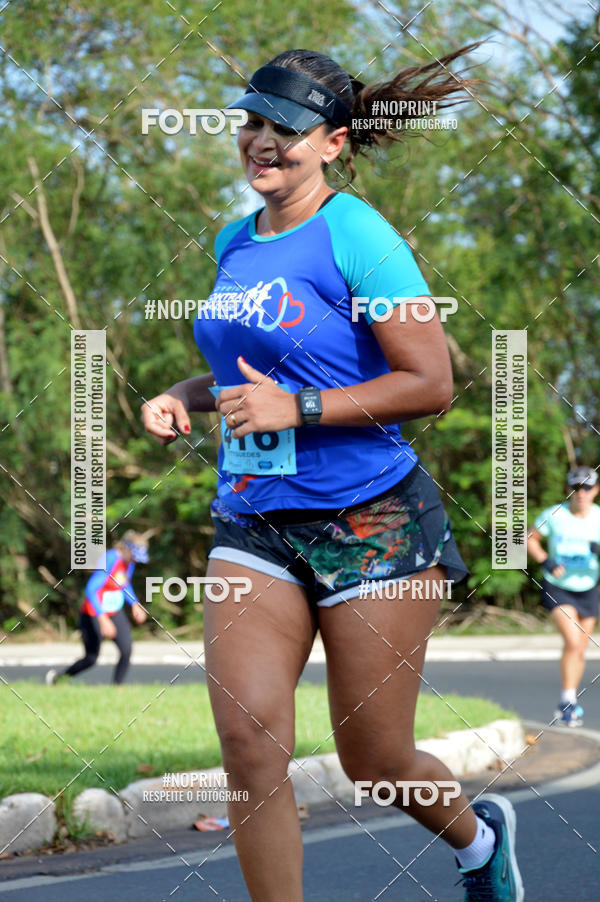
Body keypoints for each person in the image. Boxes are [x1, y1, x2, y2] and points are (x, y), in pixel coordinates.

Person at [142, 49, 523, 902]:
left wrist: (302, 410)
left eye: (284, 128)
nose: (261, 141)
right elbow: (253, 379)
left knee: (375, 760)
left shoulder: (358, 232)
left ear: (332, 143)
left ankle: (476, 839)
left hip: (372, 523)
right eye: (251, 123)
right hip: (255, 522)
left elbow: (429, 383)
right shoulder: (233, 240)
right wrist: (183, 394)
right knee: (247, 740)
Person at [527, 465, 600, 727]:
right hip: (558, 587)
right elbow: (529, 538)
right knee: (572, 640)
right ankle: (569, 702)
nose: (581, 494)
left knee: (579, 648)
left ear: (596, 490)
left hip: (589, 588)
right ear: (569, 490)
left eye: (587, 488)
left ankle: (567, 699)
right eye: (576, 488)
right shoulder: (555, 514)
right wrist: (545, 561)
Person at [46, 530, 149, 686]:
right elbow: (91, 589)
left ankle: (117, 689)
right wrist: (102, 619)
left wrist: (135, 603)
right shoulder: (110, 559)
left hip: (114, 611)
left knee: (126, 649)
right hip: (93, 612)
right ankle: (57, 680)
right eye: (134, 556)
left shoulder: (129, 563)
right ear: (125, 549)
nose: (135, 561)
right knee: (91, 658)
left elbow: (124, 583)